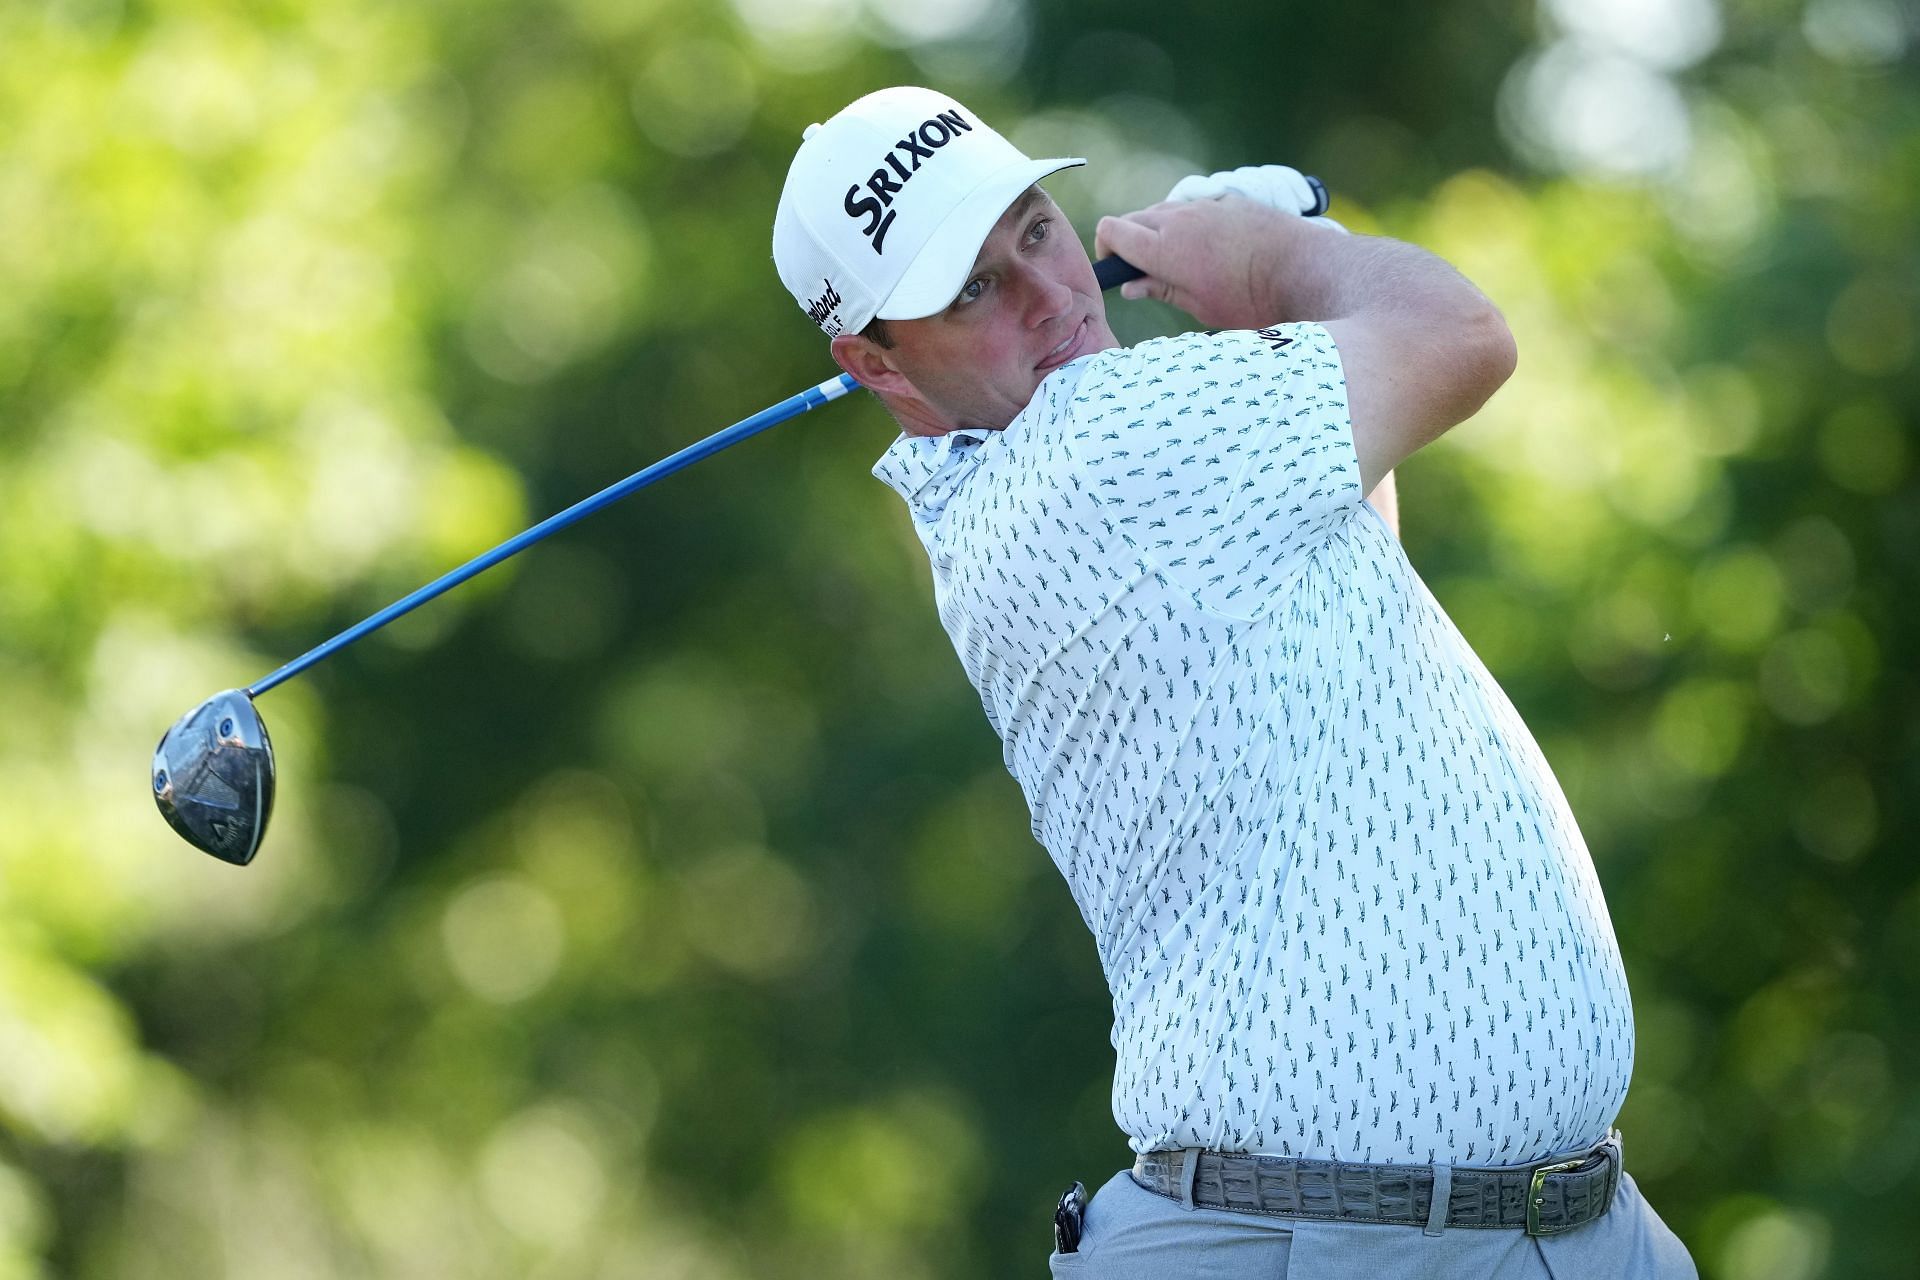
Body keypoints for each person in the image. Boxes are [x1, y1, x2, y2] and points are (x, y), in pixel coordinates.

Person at [772, 86, 1697, 1279]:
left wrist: (1260, 322)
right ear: (876, 365)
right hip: (1329, 1241)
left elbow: (1359, 559)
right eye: (973, 289)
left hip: (1549, 1228)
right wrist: (1278, 255)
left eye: (1038, 229)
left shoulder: (1065, 472)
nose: (1051, 293)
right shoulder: (1098, 444)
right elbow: (1465, 339)